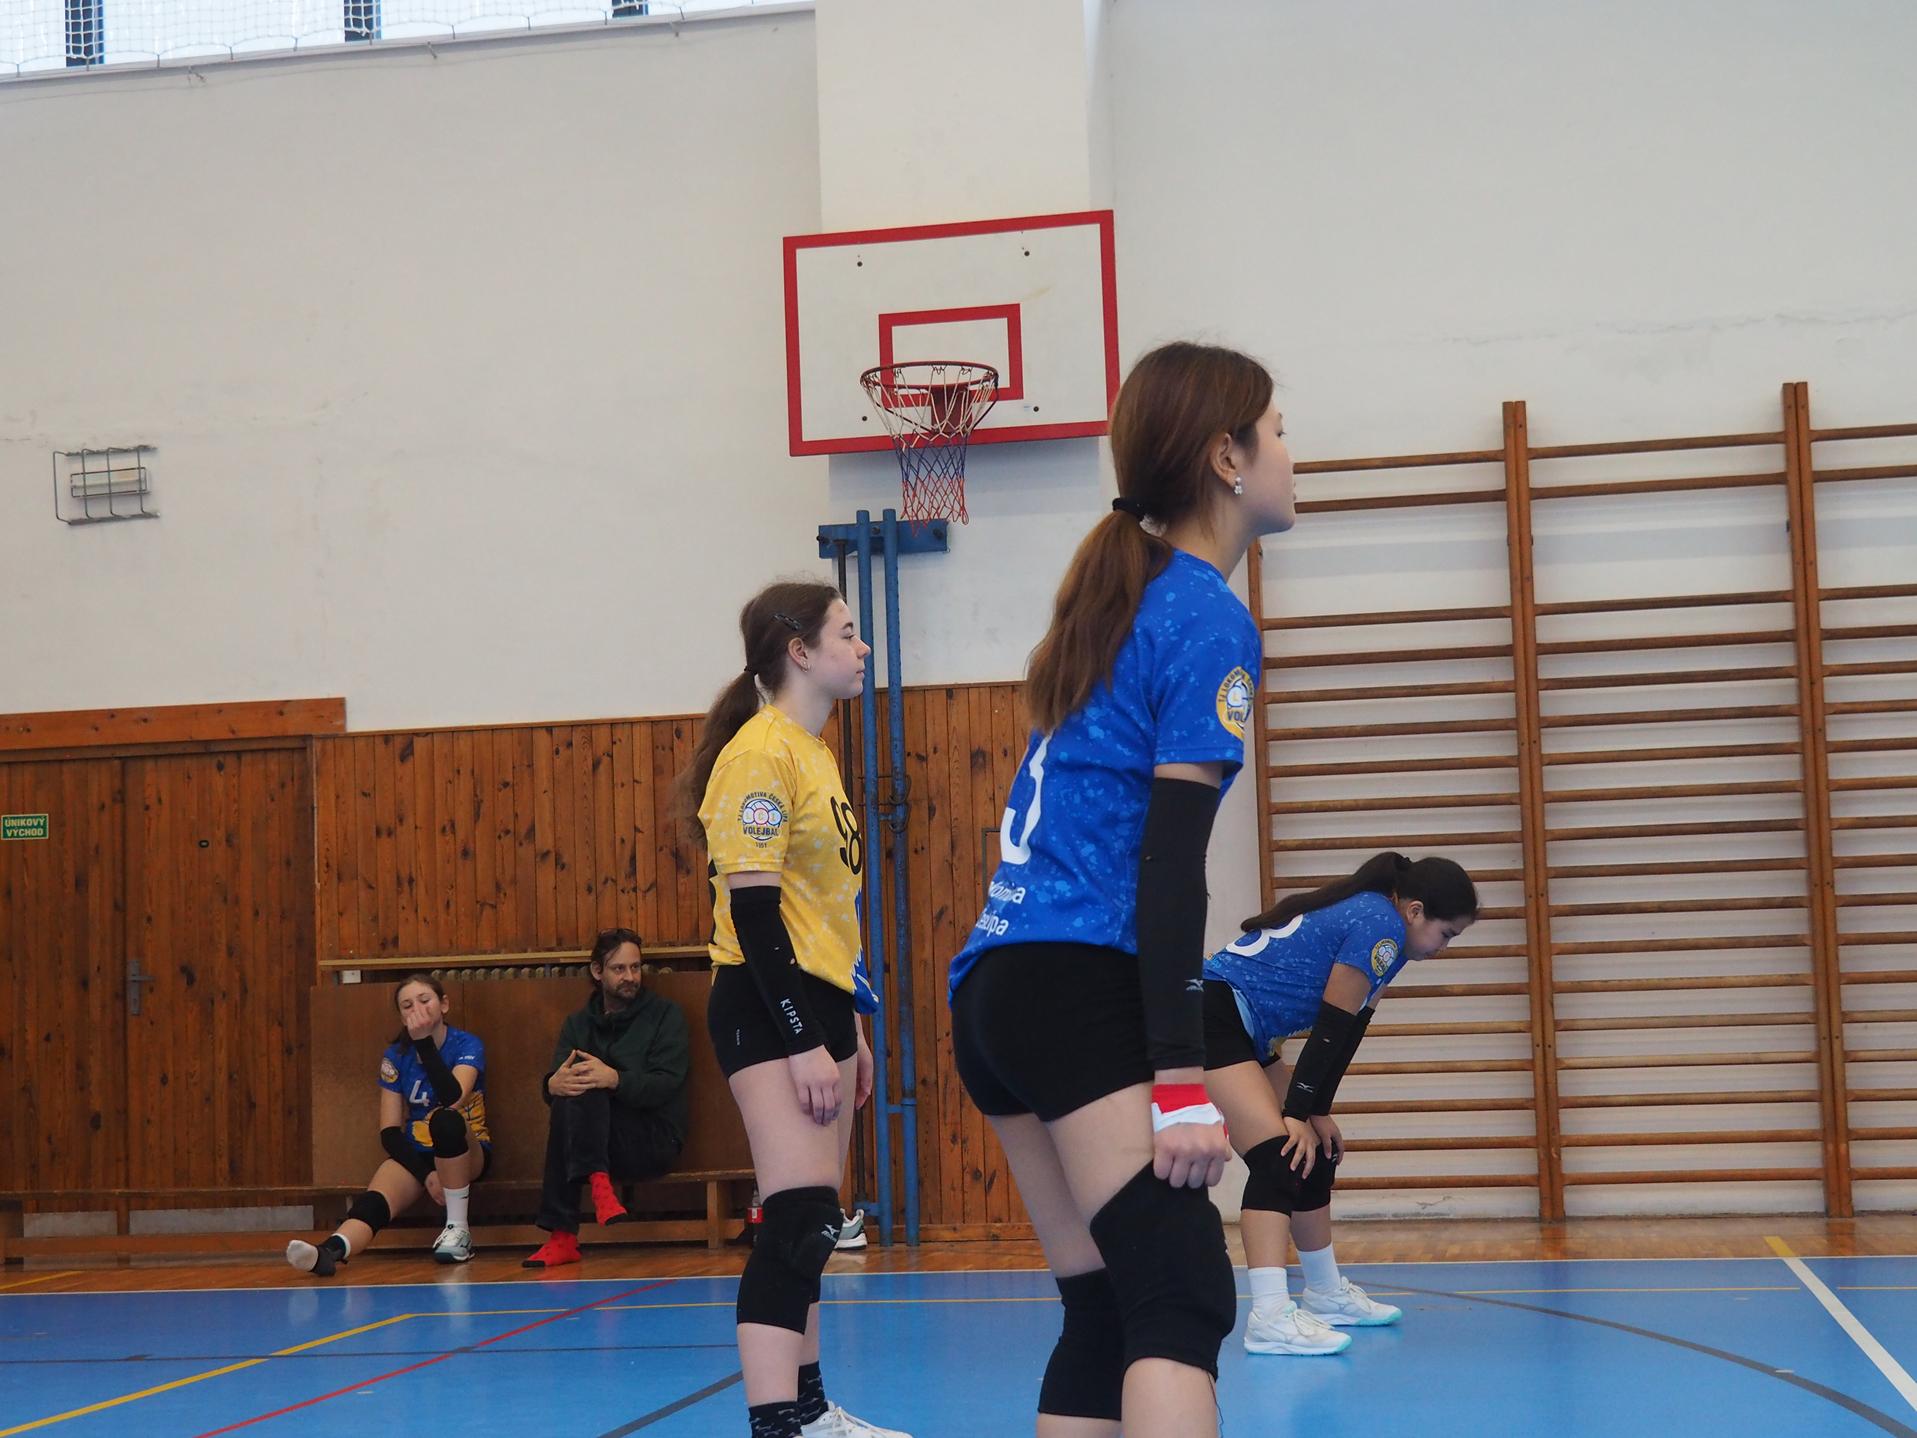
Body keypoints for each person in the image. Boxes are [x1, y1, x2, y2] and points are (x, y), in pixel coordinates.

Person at [949, 341, 1296, 1438]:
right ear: (1226, 458)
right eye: (1277, 433)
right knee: (1180, 1293)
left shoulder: (1123, 600)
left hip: (998, 986)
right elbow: (1168, 866)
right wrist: (1181, 1077)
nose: (1291, 454)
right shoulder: (1203, 614)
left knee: (1105, 1306)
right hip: (1077, 983)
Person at [677, 580, 908, 1438]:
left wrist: (850, 1025)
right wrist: (805, 1039)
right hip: (767, 1002)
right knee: (797, 1218)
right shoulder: (758, 754)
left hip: (819, 1001)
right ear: (799, 652)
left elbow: (824, 915)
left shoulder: (813, 753)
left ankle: (809, 1414)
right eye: (847, 633)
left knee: (815, 1225)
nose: (862, 647)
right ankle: (776, 1424)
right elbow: (754, 914)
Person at [1203, 852, 1479, 1354]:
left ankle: (1325, 1293)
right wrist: (1294, 1114)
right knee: (1279, 1156)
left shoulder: (1392, 943)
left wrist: (1316, 1110)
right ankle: (1268, 1315)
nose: (1444, 948)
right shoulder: (1380, 924)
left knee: (1316, 1151)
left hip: (1250, 1030)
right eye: (1446, 935)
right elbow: (1329, 1028)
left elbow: (1349, 1032)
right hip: (1215, 1013)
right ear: (1415, 911)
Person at [287, 973, 491, 1275]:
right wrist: (425, 1175)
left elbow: (453, 1098)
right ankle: (329, 1252)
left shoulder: (466, 1044)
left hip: (464, 1149)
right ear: (402, 1017)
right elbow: (390, 1132)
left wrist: (424, 1044)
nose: (417, 1009)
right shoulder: (396, 1056)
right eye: (407, 1006)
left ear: (444, 1004)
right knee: (376, 1200)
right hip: (420, 1152)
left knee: (446, 1120)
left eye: (425, 1000)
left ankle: (458, 1230)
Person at [522, 927, 691, 1269]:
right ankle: (596, 1191)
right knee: (574, 1090)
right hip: (594, 1142)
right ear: (597, 972)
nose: (630, 977)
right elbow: (560, 1080)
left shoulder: (665, 1015)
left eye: (635, 967)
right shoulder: (577, 1024)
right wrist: (550, 1086)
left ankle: (563, 1234)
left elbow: (666, 1084)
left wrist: (615, 1079)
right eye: (619, 969)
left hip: (651, 1139)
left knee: (591, 1084)